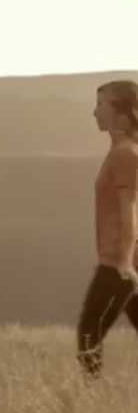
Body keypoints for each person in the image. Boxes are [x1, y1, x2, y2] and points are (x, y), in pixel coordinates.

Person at [77, 79, 138, 378]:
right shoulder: (123, 151)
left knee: (89, 332)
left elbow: (130, 208)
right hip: (122, 259)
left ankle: (91, 400)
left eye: (101, 105)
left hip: (119, 262)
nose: (94, 112)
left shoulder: (126, 154)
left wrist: (124, 261)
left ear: (120, 113)